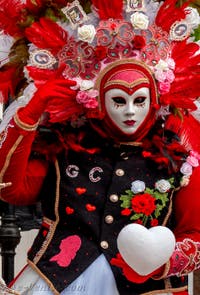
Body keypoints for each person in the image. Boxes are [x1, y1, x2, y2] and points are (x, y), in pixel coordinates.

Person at [0, 0, 200, 294]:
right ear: (99, 101)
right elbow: (10, 188)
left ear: (154, 100)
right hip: (59, 280)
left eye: (140, 100)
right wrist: (32, 111)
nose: (130, 111)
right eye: (119, 100)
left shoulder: (178, 155)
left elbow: (196, 233)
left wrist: (160, 260)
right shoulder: (62, 144)